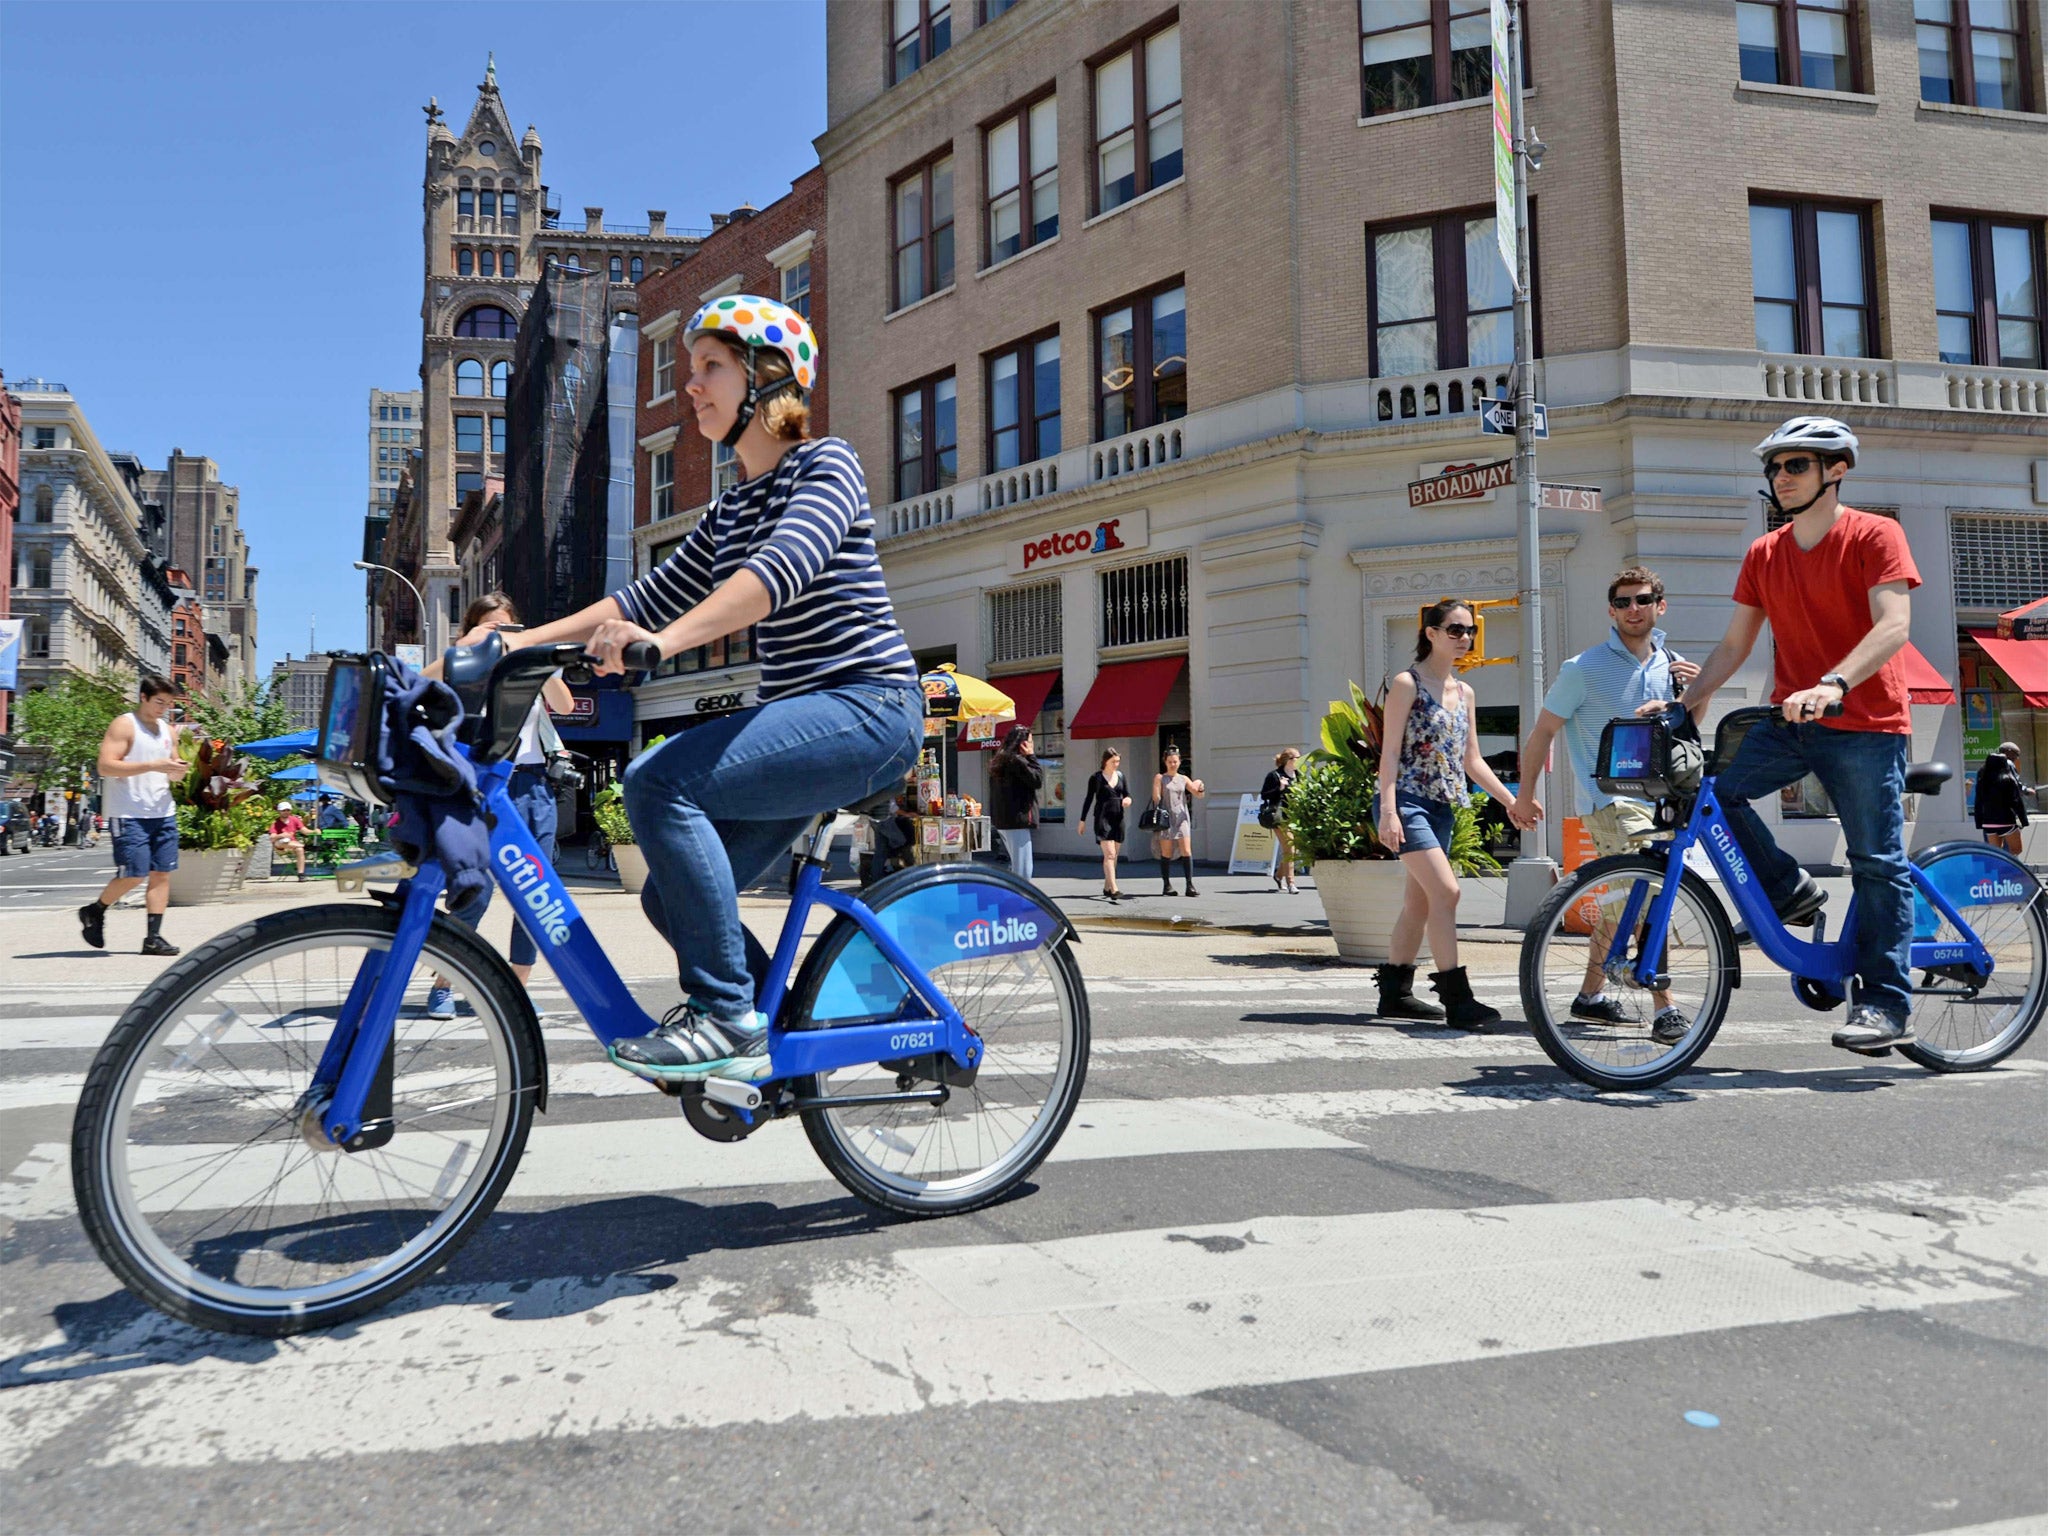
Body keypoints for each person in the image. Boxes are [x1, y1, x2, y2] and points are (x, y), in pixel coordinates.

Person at [505, 293, 923, 1084]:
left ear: (769, 384)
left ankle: (727, 1017)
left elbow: (775, 577)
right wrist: (512, 641)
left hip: (871, 709)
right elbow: (640, 597)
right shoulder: (731, 508)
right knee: (673, 899)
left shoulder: (827, 465)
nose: (691, 385)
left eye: (710, 368)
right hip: (804, 718)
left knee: (657, 781)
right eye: (693, 369)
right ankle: (788, 1023)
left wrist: (662, 644)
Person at [1657, 415, 1919, 1055]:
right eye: (1774, 467)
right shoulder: (1764, 553)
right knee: (1710, 790)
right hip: (1791, 722)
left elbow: (1894, 627)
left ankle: (1887, 1004)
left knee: (1875, 863)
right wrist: (1682, 705)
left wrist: (1833, 683)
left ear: (1836, 470)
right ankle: (1790, 892)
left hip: (1864, 724)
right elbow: (1732, 646)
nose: (1781, 477)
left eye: (1795, 465)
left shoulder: (1875, 535)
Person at [1513, 566, 1700, 1042]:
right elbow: (1542, 733)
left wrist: (1698, 692)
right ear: (1610, 610)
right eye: (1621, 602)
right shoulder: (1584, 667)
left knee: (1625, 903)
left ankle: (1589, 997)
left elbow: (1686, 733)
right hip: (1611, 801)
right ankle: (1666, 1007)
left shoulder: (1671, 663)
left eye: (1641, 600)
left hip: (1664, 800)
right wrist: (1525, 794)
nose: (1631, 610)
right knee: (1650, 895)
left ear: (1661, 605)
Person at [1373, 600, 1527, 1028]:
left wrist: (1510, 801)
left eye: (1469, 630)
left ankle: (1394, 995)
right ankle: (1457, 998)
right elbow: (1387, 755)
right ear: (1431, 634)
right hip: (1406, 803)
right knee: (1448, 892)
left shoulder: (1465, 693)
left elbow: (1472, 760)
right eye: (1455, 630)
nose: (1465, 638)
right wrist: (1388, 810)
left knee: (1418, 904)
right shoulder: (1408, 683)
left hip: (1442, 807)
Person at [424, 592, 575, 1013]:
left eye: (507, 627)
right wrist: (468, 645)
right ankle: (443, 984)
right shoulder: (464, 666)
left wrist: (529, 655)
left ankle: (516, 991)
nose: (500, 637)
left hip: (531, 785)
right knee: (476, 892)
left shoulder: (526, 665)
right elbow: (421, 682)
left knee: (534, 895)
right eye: (492, 627)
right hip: (480, 785)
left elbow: (564, 704)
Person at [79, 675, 185, 957]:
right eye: (159, 702)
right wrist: (153, 764)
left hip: (163, 810)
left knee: (162, 874)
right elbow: (105, 766)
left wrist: (177, 772)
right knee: (134, 874)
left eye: (169, 703)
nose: (163, 708)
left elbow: (172, 768)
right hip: (128, 812)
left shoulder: (168, 731)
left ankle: (153, 937)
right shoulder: (124, 724)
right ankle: (95, 910)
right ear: (143, 697)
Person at [990, 724, 1044, 882]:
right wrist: (1032, 756)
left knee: (1015, 867)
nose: (1032, 745)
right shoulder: (1018, 761)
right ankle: (1018, 902)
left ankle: (1009, 898)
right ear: (1023, 744)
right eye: (1031, 742)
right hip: (1017, 820)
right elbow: (1037, 779)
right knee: (1024, 870)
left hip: (1003, 820)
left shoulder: (1000, 760)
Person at [1079, 747, 1133, 901]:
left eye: (1118, 761)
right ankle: (1114, 888)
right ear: (1105, 761)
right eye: (1113, 761)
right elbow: (1088, 800)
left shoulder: (1121, 776)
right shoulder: (1096, 778)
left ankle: (1107, 886)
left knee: (1114, 855)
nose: (1116, 764)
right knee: (1109, 854)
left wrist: (1128, 800)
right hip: (1102, 818)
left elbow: (1127, 794)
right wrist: (1082, 821)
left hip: (1118, 818)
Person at [1152, 744, 1206, 896]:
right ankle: (1167, 885)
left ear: (1180, 762)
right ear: (1165, 762)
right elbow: (1156, 799)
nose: (1172, 764)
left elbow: (1198, 794)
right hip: (1166, 818)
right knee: (1167, 853)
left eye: (1175, 761)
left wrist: (1200, 787)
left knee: (1186, 851)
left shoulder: (1183, 779)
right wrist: (1157, 787)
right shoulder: (1160, 778)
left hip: (1182, 818)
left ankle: (1189, 885)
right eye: (1170, 761)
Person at [1973, 742, 2029, 856]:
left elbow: (1978, 802)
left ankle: (1997, 872)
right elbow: (2016, 801)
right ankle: (2007, 870)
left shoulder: (1982, 778)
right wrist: (2024, 821)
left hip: (1988, 823)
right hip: (2006, 821)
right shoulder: (2008, 778)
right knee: (2015, 850)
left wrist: (1979, 822)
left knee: (1995, 854)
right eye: (2016, 755)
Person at [1260, 747, 1302, 894]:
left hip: (1295, 816)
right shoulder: (1274, 775)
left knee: (1292, 850)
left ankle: (1279, 876)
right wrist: (1280, 788)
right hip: (1279, 816)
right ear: (1289, 760)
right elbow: (1264, 795)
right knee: (1290, 848)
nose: (1299, 759)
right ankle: (1291, 883)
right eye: (1297, 757)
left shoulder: (1298, 774)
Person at [270, 801, 308, 880]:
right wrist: (281, 835)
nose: (286, 812)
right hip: (281, 847)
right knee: (281, 841)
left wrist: (314, 831)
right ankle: (306, 847)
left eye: (288, 810)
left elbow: (304, 830)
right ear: (279, 811)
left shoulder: (294, 819)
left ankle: (301, 873)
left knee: (300, 849)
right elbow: (272, 838)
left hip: (293, 845)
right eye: (283, 810)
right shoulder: (275, 822)